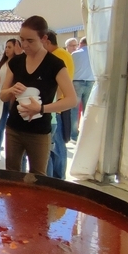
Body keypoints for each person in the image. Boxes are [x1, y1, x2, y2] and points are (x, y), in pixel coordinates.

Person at [0, 16, 77, 176]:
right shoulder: (16, 62)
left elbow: (71, 100)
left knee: (38, 177)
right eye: (22, 40)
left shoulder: (55, 64)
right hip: (14, 127)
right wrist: (12, 90)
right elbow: (3, 96)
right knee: (11, 175)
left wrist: (41, 109)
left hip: (39, 131)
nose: (24, 45)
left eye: (30, 40)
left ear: (44, 39)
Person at [43, 30, 75, 180]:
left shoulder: (56, 57)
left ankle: (59, 179)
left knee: (57, 146)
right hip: (59, 106)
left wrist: (54, 104)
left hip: (57, 107)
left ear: (47, 41)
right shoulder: (64, 54)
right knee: (56, 145)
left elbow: (61, 85)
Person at [0, 39, 23, 163]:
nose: (6, 49)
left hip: (13, 97)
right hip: (2, 96)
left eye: (9, 47)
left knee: (9, 125)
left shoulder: (18, 63)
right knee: (0, 124)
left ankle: (12, 153)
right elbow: (1, 80)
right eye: (6, 47)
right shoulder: (4, 63)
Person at [70, 37, 94, 143]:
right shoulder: (94, 54)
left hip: (77, 82)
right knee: (87, 110)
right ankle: (88, 134)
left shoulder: (75, 54)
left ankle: (74, 134)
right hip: (91, 82)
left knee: (74, 110)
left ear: (81, 43)